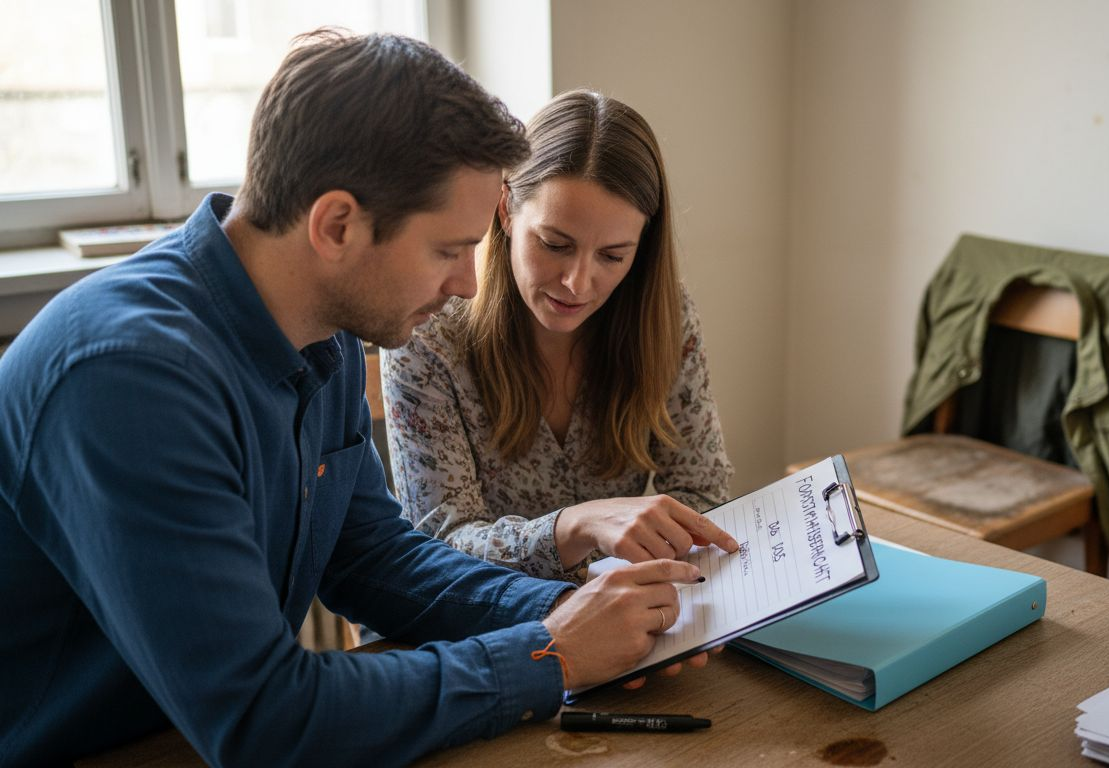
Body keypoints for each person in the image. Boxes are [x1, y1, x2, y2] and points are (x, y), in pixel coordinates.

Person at [0, 31, 715, 767]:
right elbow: (265, 720)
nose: (469, 284)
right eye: (447, 250)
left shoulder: (326, 331)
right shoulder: (128, 378)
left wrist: (574, 614)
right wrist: (550, 655)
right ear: (337, 225)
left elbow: (373, 559)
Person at [382, 90, 737, 582]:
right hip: (483, 629)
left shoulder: (666, 319)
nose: (578, 282)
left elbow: (703, 493)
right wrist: (577, 527)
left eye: (613, 256)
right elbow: (441, 543)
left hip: (635, 615)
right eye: (555, 244)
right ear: (505, 209)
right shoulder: (429, 334)